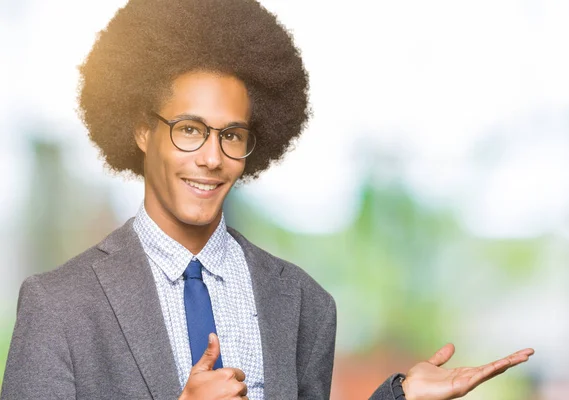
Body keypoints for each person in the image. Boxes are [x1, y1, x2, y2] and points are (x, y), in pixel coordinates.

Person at [0, 0, 533, 399]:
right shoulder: (60, 306)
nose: (212, 157)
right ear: (142, 130)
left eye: (231, 135)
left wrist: (398, 396)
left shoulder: (303, 303)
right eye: (190, 130)